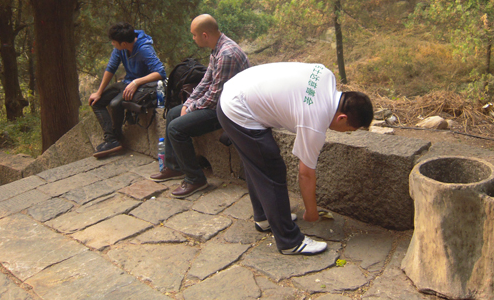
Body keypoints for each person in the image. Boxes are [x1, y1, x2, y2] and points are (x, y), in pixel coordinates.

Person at [216, 62, 373, 255]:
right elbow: (305, 174)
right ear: (341, 118)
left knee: (258, 163)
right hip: (238, 109)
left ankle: (265, 217)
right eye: (350, 130)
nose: (347, 133)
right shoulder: (316, 119)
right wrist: (311, 211)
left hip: (238, 88)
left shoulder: (326, 75)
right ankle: (289, 241)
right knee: (271, 169)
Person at [150, 14, 249, 198]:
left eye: (194, 35)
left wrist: (192, 108)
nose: (193, 39)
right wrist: (188, 103)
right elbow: (205, 82)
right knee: (172, 114)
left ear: (204, 35)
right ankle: (174, 166)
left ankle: (195, 179)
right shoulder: (217, 49)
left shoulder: (227, 54)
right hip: (219, 103)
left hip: (230, 109)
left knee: (176, 128)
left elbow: (215, 96)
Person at [88, 22, 166, 158]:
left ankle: (116, 137)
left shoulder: (143, 49)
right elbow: (111, 68)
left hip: (143, 87)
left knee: (114, 104)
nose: (112, 44)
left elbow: (160, 72)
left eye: (113, 42)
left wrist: (136, 82)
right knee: (97, 102)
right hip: (127, 82)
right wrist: (99, 92)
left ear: (123, 44)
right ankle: (111, 139)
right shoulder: (120, 48)